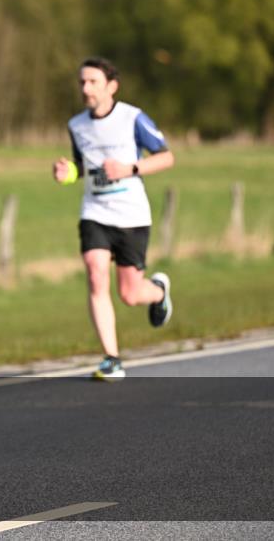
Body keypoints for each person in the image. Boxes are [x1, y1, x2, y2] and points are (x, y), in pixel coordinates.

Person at [53, 57, 175, 381]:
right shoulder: (76, 124)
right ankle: (112, 358)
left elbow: (166, 157)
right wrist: (68, 174)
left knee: (130, 294)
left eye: (92, 82)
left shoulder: (132, 118)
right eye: (81, 82)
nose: (85, 88)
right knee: (95, 274)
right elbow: (83, 167)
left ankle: (159, 292)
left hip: (132, 213)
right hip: (95, 212)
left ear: (111, 86)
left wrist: (129, 169)